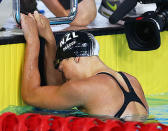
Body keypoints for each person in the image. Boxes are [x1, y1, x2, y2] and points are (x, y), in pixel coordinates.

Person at [21, 11, 148, 120]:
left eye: (62, 68)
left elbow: (30, 95)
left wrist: (32, 40)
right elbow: (58, 95)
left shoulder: (83, 88)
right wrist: (49, 39)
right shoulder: (132, 81)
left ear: (76, 58)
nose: (63, 77)